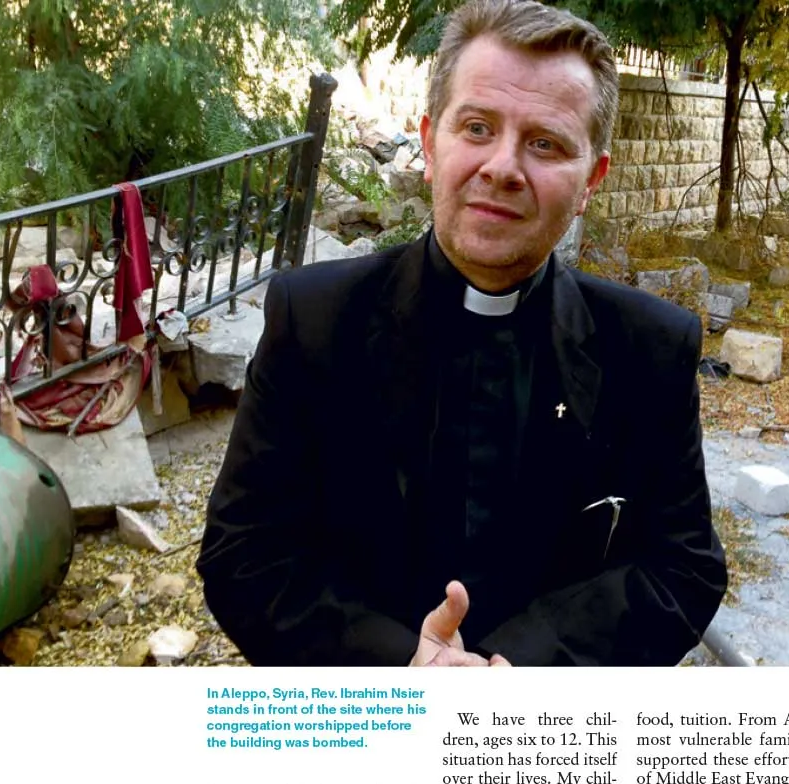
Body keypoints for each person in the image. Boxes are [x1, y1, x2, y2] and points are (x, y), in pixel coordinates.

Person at [197, 0, 727, 667]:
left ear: (592, 178)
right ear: (429, 142)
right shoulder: (314, 320)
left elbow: (683, 568)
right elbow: (244, 552)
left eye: (546, 143)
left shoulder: (650, 347)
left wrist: (528, 662)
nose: (503, 166)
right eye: (477, 127)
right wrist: (402, 665)